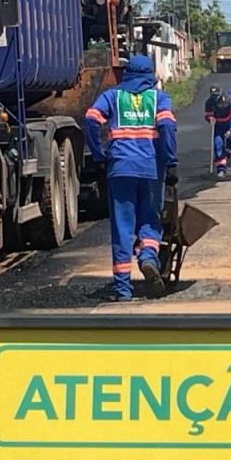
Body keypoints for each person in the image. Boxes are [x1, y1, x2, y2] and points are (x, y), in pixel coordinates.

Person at [84, 55, 178, 302]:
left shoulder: (113, 96)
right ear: (150, 74)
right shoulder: (159, 98)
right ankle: (148, 257)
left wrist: (98, 154)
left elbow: (91, 118)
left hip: (120, 169)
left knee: (122, 228)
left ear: (127, 73)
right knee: (150, 221)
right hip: (151, 170)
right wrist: (171, 161)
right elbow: (167, 127)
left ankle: (123, 290)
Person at [204, 85, 231, 179]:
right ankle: (221, 169)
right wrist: (210, 118)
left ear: (220, 93)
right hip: (219, 126)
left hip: (230, 125)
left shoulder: (229, 101)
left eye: (216, 95)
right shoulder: (209, 102)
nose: (214, 97)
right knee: (218, 145)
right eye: (213, 95)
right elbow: (207, 114)